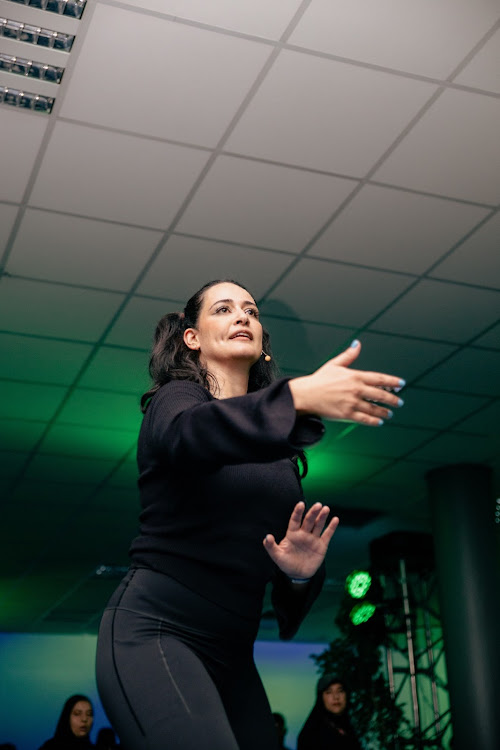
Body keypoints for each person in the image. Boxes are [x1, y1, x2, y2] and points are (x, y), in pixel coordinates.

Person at [95, 279, 404, 750]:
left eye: (251, 311)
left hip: (233, 648)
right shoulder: (176, 402)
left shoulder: (274, 446)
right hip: (156, 630)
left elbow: (275, 566)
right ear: (191, 337)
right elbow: (193, 435)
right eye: (223, 309)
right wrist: (296, 396)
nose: (243, 317)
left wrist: (298, 574)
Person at [297, 676, 362, 750]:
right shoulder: (311, 734)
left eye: (340, 691)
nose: (336, 697)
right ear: (321, 698)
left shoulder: (352, 729)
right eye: (329, 692)